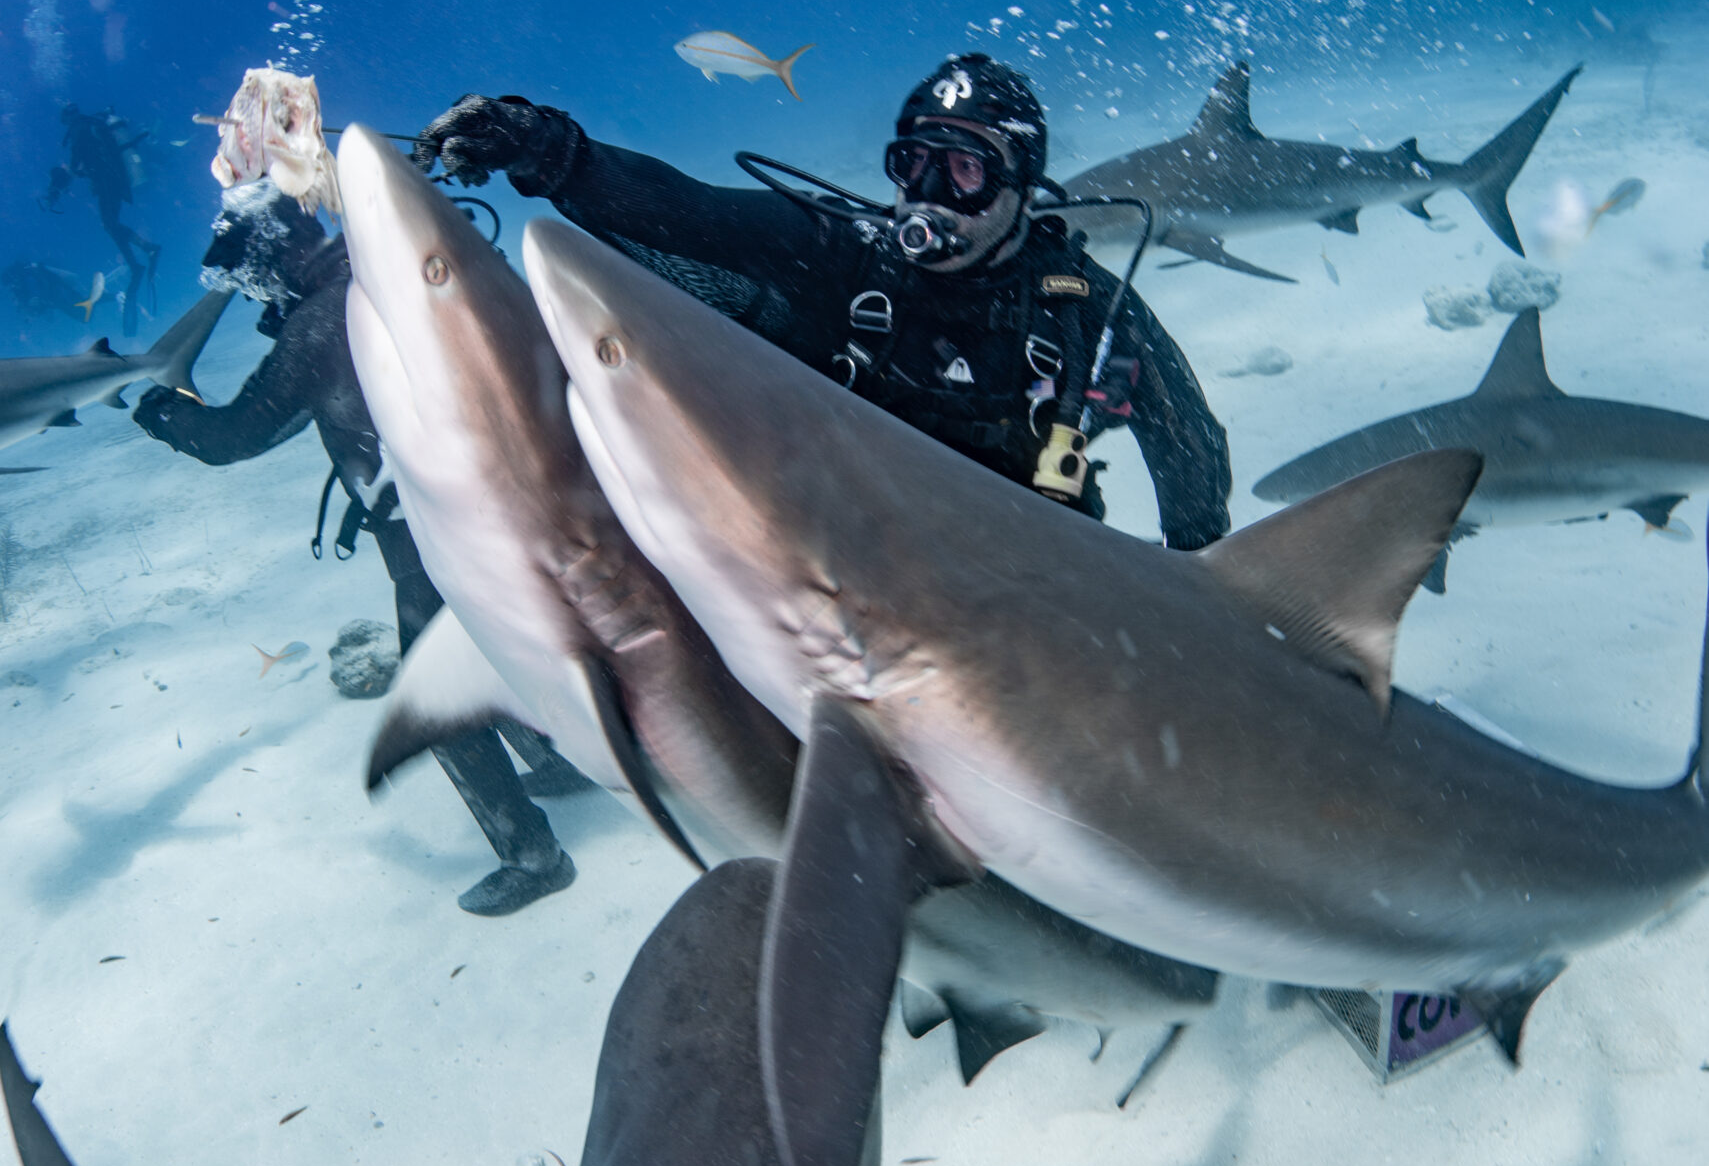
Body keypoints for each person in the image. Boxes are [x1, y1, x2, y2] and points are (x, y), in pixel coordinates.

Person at [413, 53, 1231, 544]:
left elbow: (1187, 450)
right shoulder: (849, 258)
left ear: (1023, 187)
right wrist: (546, 148)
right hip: (845, 565)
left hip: (1030, 585)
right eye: (911, 164)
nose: (927, 195)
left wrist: (1193, 579)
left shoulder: (1084, 313)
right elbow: (683, 212)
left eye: (966, 171)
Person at [131, 180, 581, 916]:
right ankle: (557, 764)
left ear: (272, 262)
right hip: (510, 505)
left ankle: (532, 854)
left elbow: (239, 436)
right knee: (482, 648)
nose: (254, 299)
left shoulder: (318, 323)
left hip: (432, 538)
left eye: (252, 284)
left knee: (432, 694)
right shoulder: (399, 270)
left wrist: (157, 409)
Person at [44, 103, 161, 334]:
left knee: (109, 224)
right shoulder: (94, 125)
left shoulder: (80, 129)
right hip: (114, 181)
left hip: (107, 181)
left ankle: (143, 253)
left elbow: (76, 164)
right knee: (110, 224)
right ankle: (138, 258)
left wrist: (57, 186)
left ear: (68, 119)